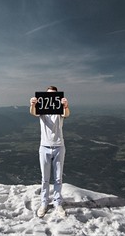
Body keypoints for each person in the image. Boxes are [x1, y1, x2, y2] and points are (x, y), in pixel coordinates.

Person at [29, 86, 70, 218]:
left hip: (59, 146)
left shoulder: (59, 108)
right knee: (45, 179)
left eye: (53, 95)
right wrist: (33, 104)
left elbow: (66, 114)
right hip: (44, 147)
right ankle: (44, 203)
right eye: (49, 95)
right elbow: (33, 113)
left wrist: (66, 105)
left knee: (58, 178)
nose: (51, 97)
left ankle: (58, 203)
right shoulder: (42, 108)